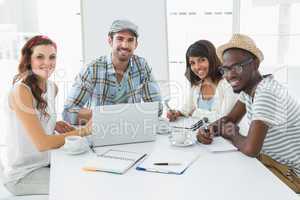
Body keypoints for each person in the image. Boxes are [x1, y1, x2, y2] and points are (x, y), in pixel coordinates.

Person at [197, 34, 300, 193]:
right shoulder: (251, 89)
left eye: (237, 67)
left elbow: (251, 149)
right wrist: (208, 130)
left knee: (225, 187)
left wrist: (229, 133)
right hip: (272, 162)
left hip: (291, 175)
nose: (229, 75)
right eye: (225, 69)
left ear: (255, 64)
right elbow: (229, 119)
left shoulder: (267, 93)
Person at [0, 35, 91, 195]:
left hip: (48, 163)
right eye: (40, 57)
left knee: (89, 172)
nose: (47, 62)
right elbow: (42, 143)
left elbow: (35, 117)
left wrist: (52, 123)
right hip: (23, 175)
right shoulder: (21, 91)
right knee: (81, 186)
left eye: (52, 57)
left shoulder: (52, 87)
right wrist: (84, 130)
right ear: (29, 60)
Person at [63, 19, 162, 125]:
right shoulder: (92, 69)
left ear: (136, 44)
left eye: (130, 40)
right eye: (120, 39)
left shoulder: (142, 66)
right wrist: (108, 116)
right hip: (99, 132)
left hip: (132, 132)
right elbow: (68, 112)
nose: (125, 45)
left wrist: (117, 116)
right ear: (110, 41)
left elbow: (157, 109)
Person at [166, 40, 237, 123]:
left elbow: (224, 119)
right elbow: (186, 110)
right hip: (199, 134)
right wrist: (176, 113)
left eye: (202, 60)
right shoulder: (197, 86)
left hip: (221, 135)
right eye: (192, 63)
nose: (197, 67)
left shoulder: (227, 85)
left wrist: (196, 112)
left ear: (212, 59)